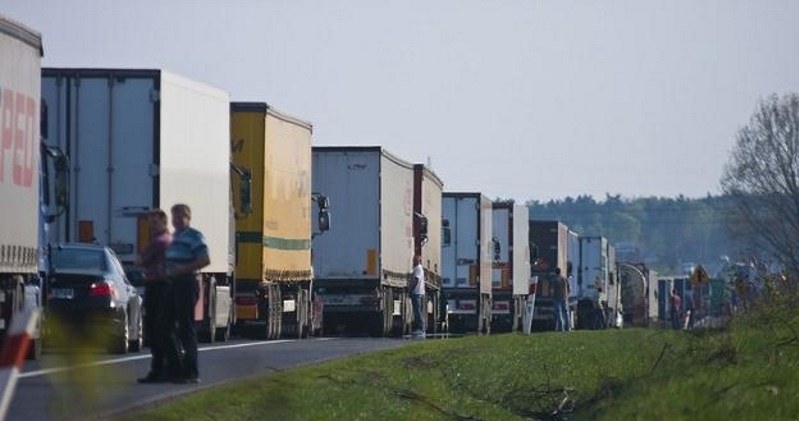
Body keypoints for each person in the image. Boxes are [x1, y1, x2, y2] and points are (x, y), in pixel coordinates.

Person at [163, 204, 210, 383]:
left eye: (180, 217)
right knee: (164, 326)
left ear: (188, 218)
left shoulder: (194, 236)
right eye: (174, 217)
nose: (176, 220)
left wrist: (183, 269)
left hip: (186, 283)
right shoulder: (173, 237)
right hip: (172, 283)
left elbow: (205, 259)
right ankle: (175, 367)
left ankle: (191, 371)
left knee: (185, 327)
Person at [136, 209, 173, 383]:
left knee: (155, 329)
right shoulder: (167, 240)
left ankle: (158, 369)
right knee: (161, 329)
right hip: (162, 286)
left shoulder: (160, 241)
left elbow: (141, 260)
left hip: (158, 286)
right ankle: (164, 368)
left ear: (164, 223)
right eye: (150, 223)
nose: (151, 227)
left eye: (155, 223)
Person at [409, 255, 426, 339]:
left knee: (418, 311)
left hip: (417, 292)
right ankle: (419, 328)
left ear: (418, 261)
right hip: (417, 292)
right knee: (417, 311)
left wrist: (411, 289)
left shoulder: (418, 269)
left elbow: (416, 280)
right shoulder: (417, 269)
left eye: (414, 260)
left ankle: (421, 329)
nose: (413, 261)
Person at [552, 267, 570, 332]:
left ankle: (561, 327)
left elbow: (553, 290)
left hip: (556, 297)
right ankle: (568, 327)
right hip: (564, 297)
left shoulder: (555, 280)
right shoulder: (565, 279)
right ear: (560, 272)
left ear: (555, 272)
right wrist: (567, 295)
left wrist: (552, 296)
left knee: (558, 312)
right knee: (566, 312)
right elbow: (569, 288)